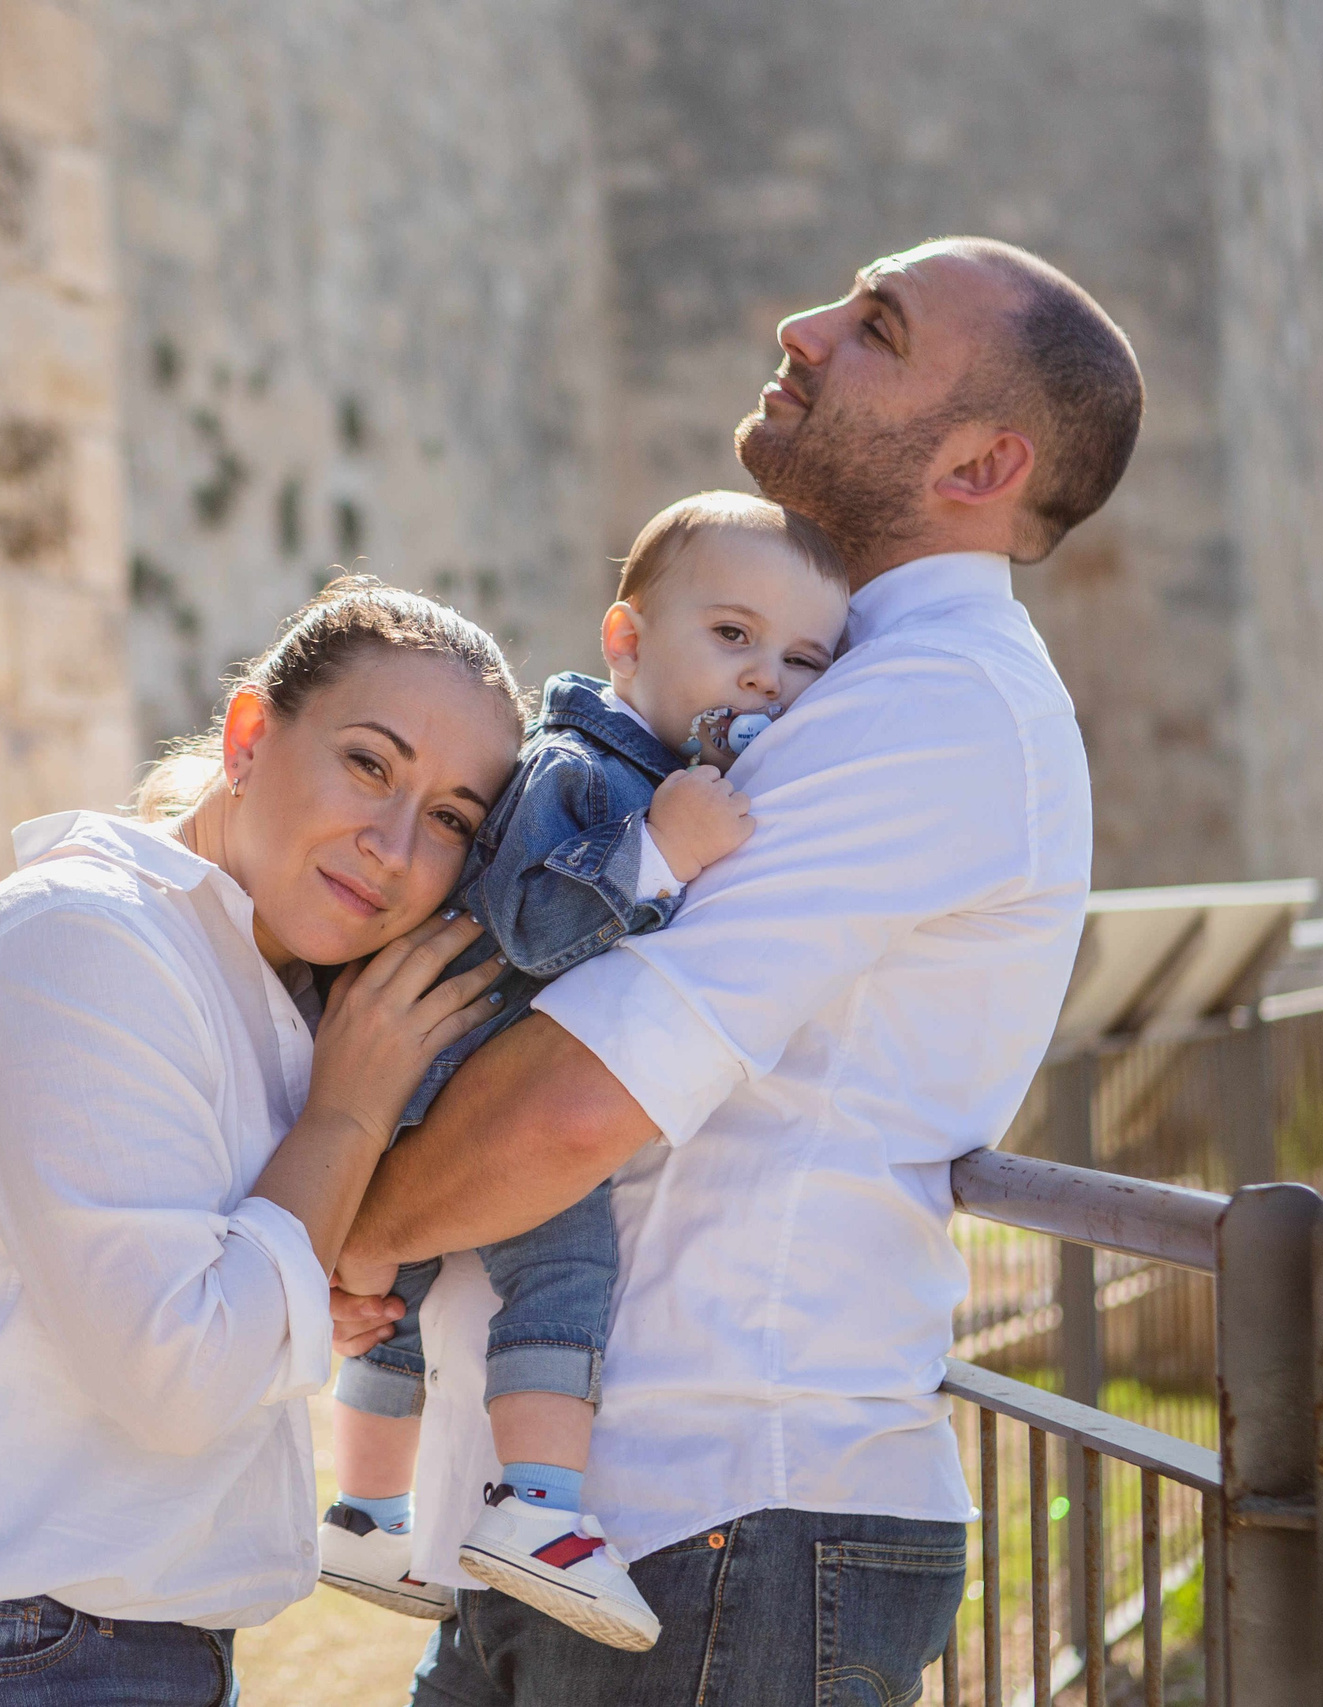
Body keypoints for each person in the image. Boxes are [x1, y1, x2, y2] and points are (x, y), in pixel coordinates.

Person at [330, 237, 1147, 1706]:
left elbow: (587, 1091)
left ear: (982, 462)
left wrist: (347, 1237)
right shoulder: (831, 683)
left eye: (877, 325)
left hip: (723, 1534)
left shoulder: (929, 705)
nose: (801, 324)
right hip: (611, 1533)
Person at [0, 578, 527, 1707]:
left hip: (96, 1645)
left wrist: (294, 1280)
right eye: (367, 764)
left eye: (450, 819)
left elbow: (213, 1310)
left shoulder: (264, 998)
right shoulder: (85, 938)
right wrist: (345, 1119)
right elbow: (182, 1377)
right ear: (248, 738)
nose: (393, 846)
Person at [317, 493, 851, 1654]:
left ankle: (364, 1512)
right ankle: (538, 1509)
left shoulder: (633, 769)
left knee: (399, 1291)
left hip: (439, 1068)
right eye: (732, 634)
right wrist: (659, 851)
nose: (763, 677)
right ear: (626, 642)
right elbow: (530, 924)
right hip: (471, 1072)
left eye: (803, 660)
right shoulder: (586, 774)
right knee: (564, 1268)